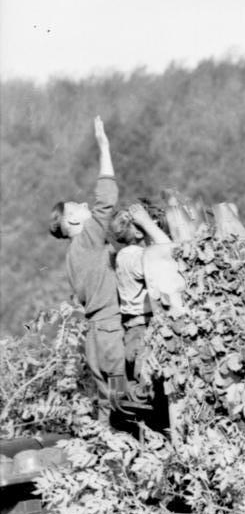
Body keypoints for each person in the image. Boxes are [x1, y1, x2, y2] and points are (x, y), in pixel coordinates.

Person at [49, 116, 128, 424]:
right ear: (72, 222)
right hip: (110, 332)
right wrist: (104, 147)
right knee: (123, 399)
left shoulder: (72, 256)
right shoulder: (87, 239)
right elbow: (106, 199)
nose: (84, 204)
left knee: (109, 403)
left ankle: (110, 446)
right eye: (77, 206)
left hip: (96, 336)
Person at [111, 202, 172, 382]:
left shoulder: (129, 254)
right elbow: (170, 252)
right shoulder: (133, 256)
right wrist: (148, 224)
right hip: (141, 334)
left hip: (138, 331)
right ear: (138, 232)